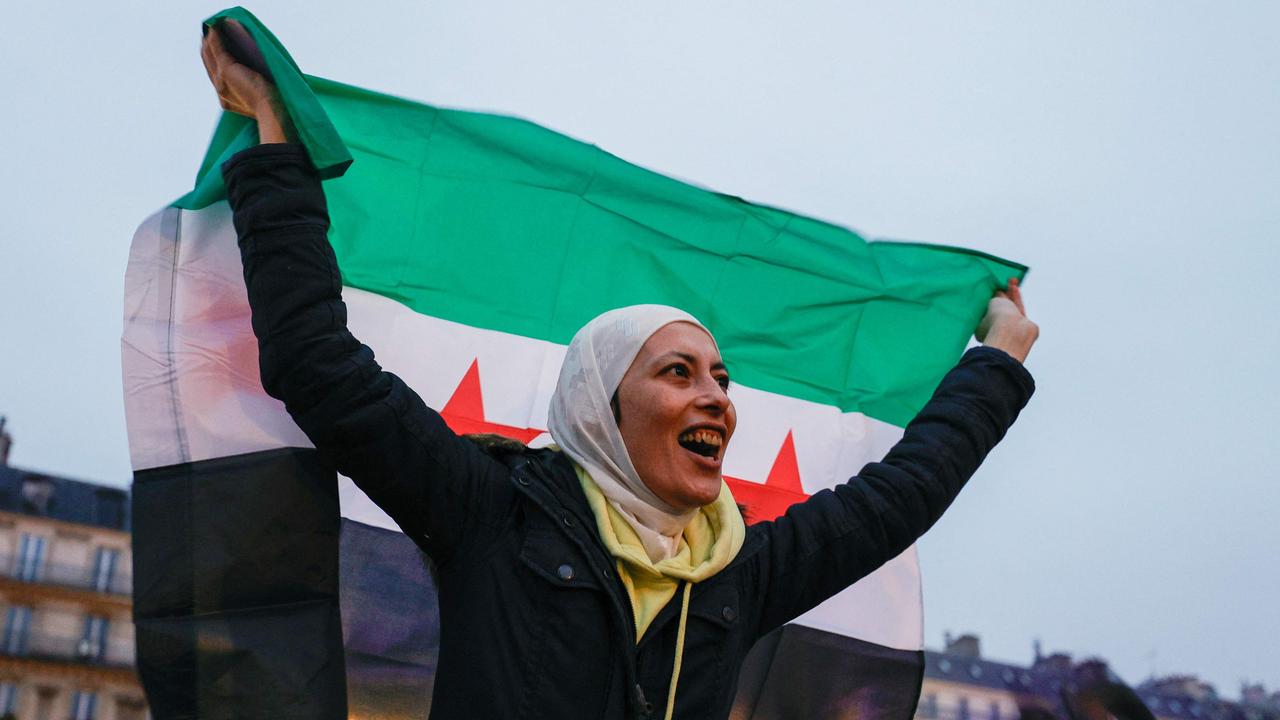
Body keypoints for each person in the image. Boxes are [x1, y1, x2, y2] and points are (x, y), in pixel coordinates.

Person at [202, 22, 1038, 720]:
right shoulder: (492, 514)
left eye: (721, 378)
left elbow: (904, 493)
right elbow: (318, 363)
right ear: (600, 406)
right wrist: (277, 137)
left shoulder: (741, 577)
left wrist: (998, 357)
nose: (715, 395)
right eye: (678, 373)